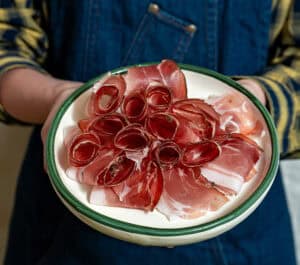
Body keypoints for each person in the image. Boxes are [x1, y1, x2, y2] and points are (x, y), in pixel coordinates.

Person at [0, 1, 299, 264]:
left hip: (241, 234)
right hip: (65, 231)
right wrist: (59, 97)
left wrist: (253, 101)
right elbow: (7, 43)